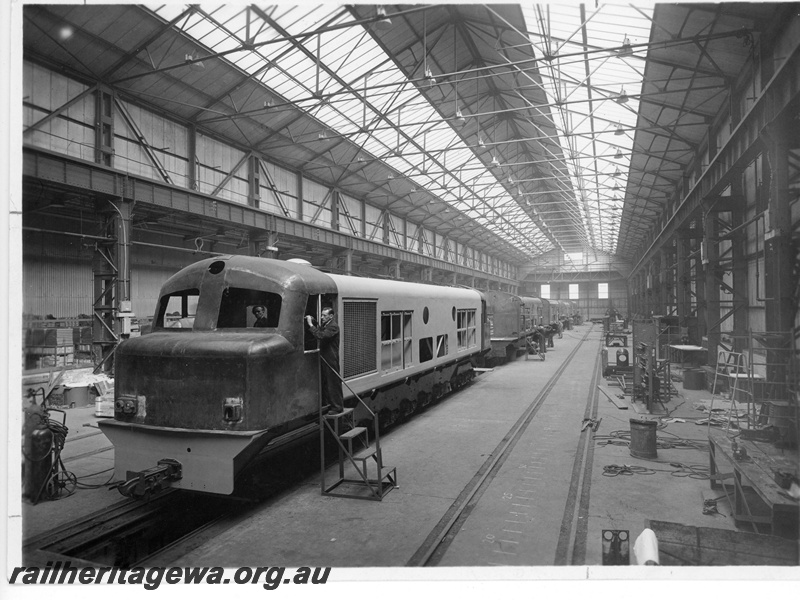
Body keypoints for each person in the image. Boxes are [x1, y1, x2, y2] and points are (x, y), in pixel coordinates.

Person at [305, 307, 344, 414]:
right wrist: (314, 321)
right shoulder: (327, 325)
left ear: (331, 316)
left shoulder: (333, 327)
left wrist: (310, 325)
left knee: (333, 383)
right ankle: (328, 404)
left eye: (324, 315)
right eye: (321, 315)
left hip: (330, 359)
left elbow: (321, 335)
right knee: (326, 382)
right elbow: (320, 331)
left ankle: (337, 407)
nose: (322, 317)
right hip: (325, 358)